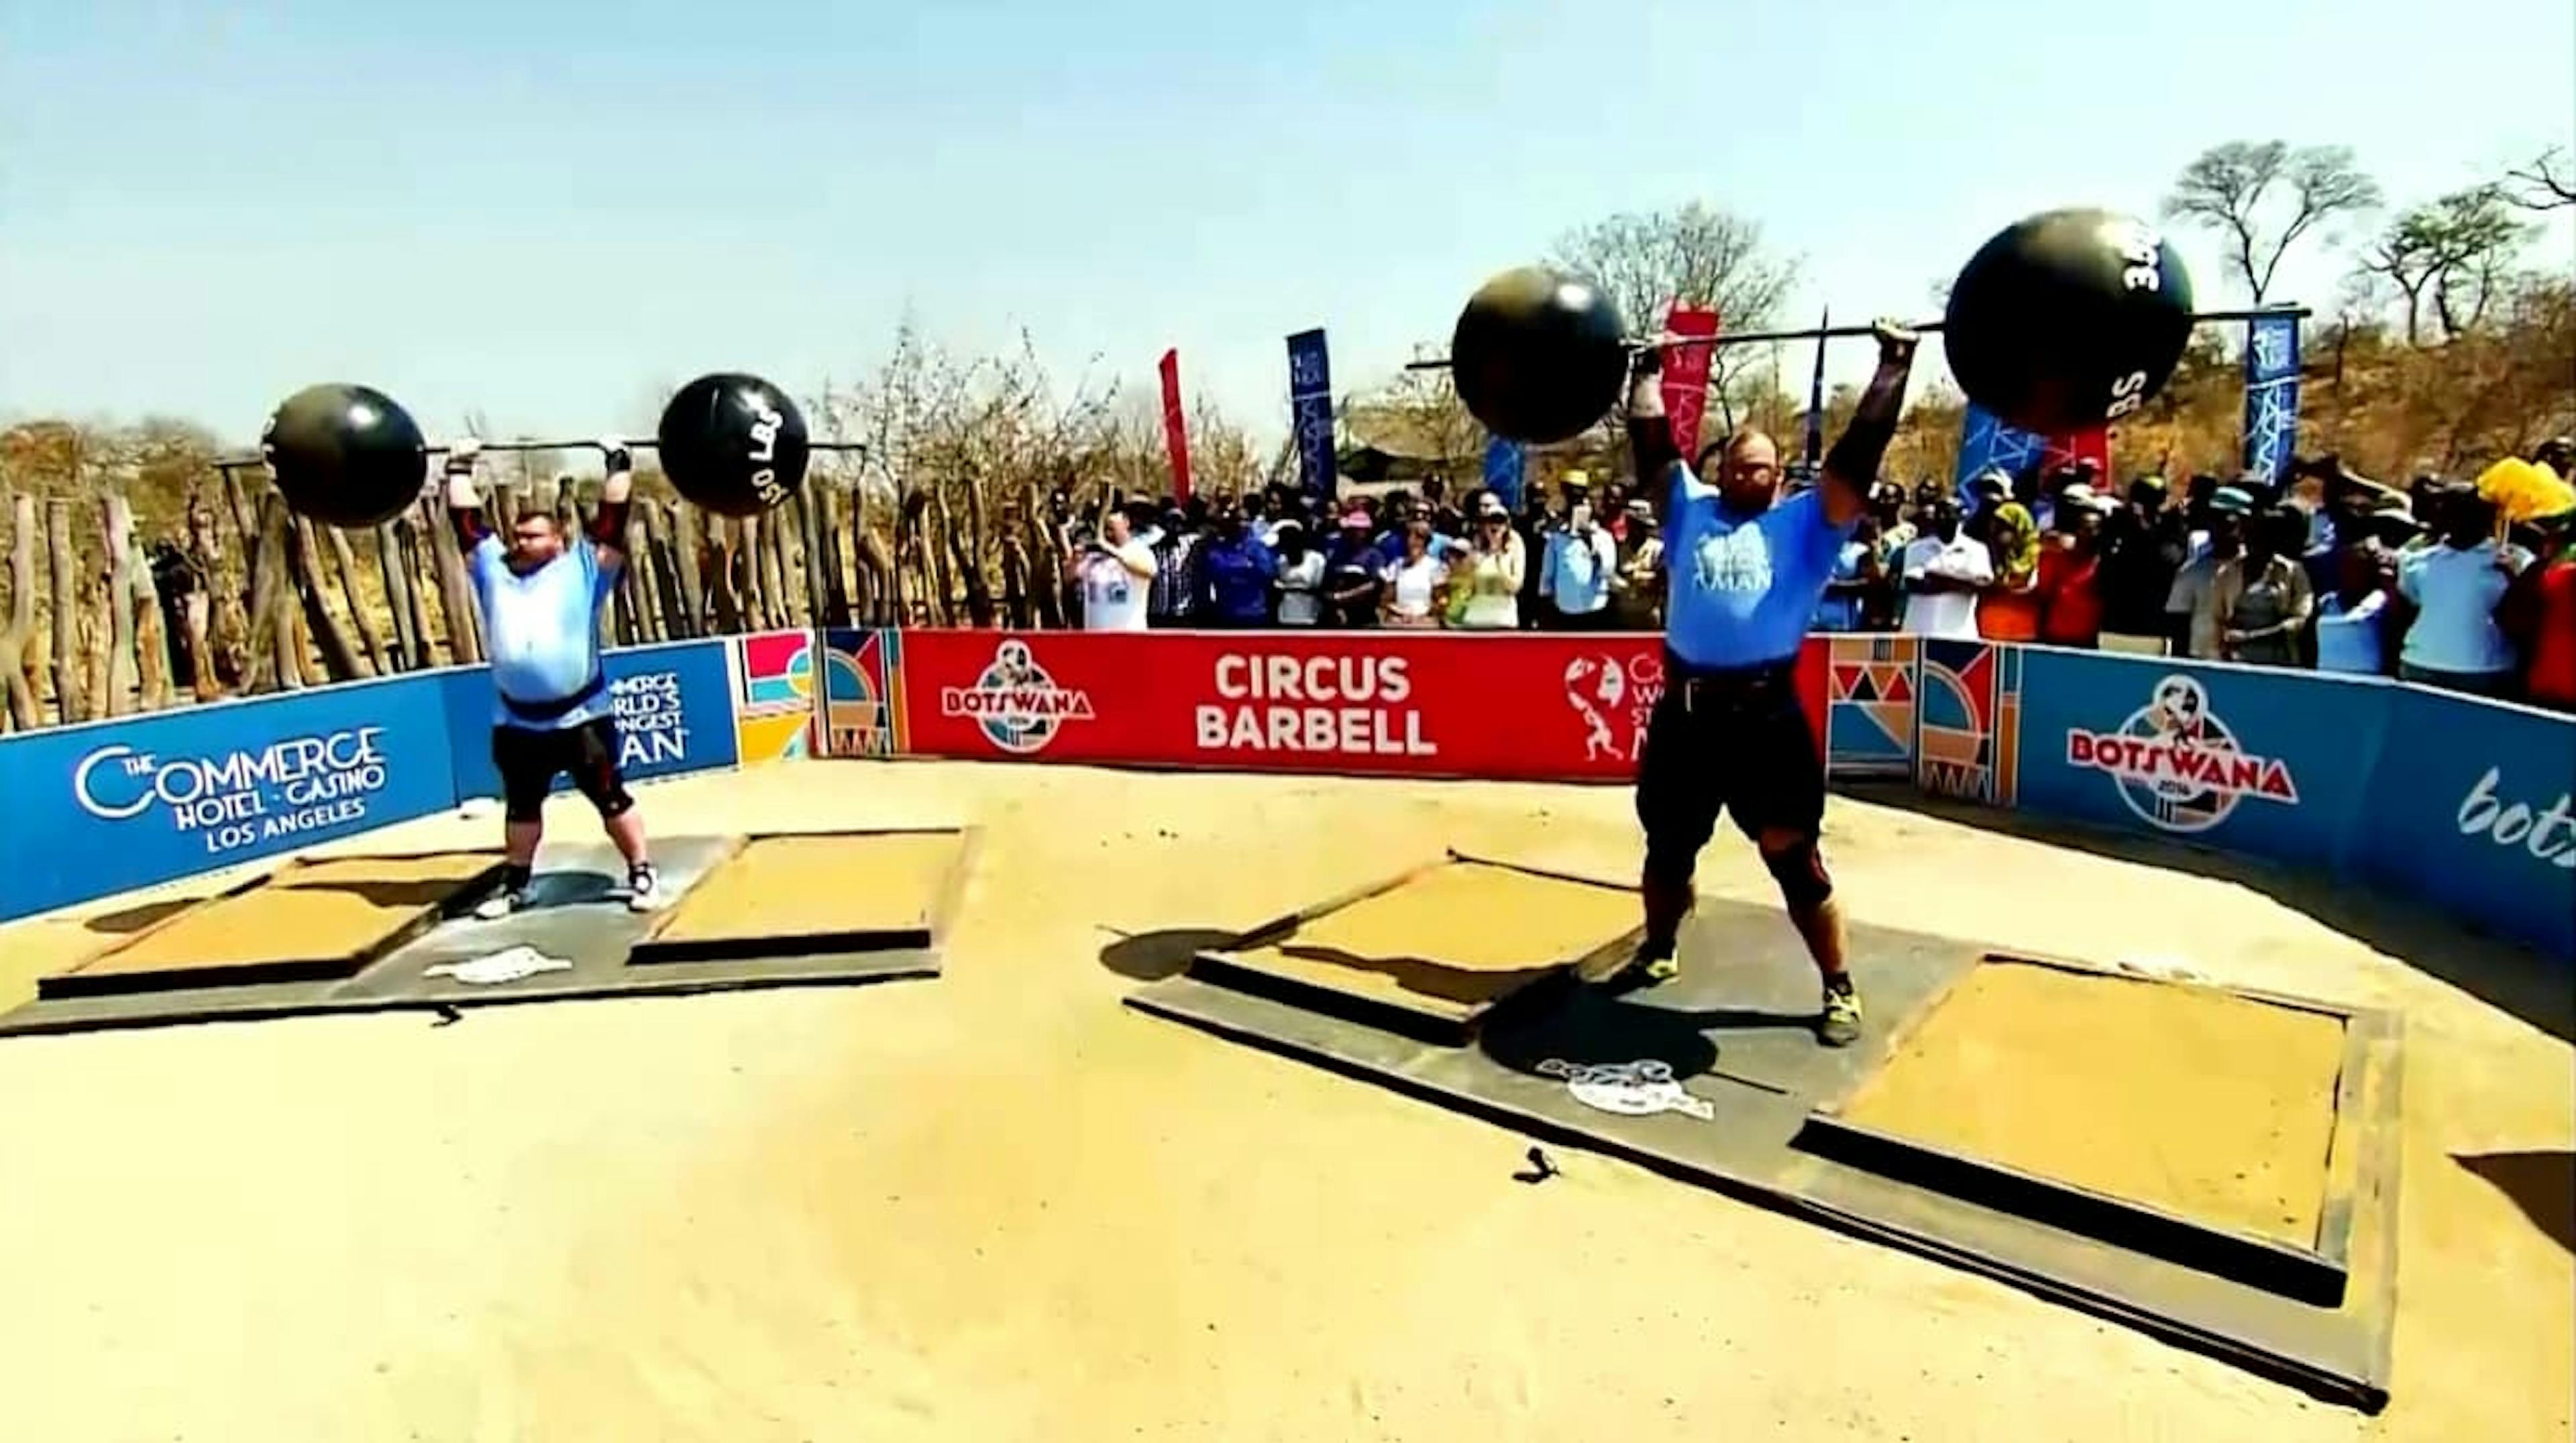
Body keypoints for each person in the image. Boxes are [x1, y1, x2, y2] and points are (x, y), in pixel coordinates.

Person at [1611, 320, 1920, 1048]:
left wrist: (1893, 368)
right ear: (1719, 469)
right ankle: (1659, 948)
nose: (1748, 475)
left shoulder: (1809, 526)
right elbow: (1653, 444)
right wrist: (1646, 370)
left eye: (1762, 468)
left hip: (1764, 720)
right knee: (1667, 846)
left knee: (1791, 854)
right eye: (1737, 465)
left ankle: (1838, 986)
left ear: (1780, 478)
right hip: (1685, 715)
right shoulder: (1685, 508)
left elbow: (1858, 455)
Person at [443, 439, 656, 919]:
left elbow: (613, 517)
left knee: (610, 797)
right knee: (521, 807)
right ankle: (518, 885)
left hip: (582, 717)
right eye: (517, 536)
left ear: (558, 539)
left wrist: (618, 463)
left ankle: (641, 870)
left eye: (533, 536)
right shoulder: (493, 572)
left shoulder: (584, 569)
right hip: (518, 722)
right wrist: (459, 466)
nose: (521, 543)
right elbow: (466, 524)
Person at [2394, 486, 2524, 696]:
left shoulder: (2512, 559)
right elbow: (2411, 600)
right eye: (2456, 513)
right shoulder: (2416, 562)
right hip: (2422, 665)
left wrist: (2517, 574)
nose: (2464, 521)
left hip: (2485, 670)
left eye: (2472, 514)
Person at [2214, 508, 2316, 667]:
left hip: (2280, 660)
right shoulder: (2227, 573)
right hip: (2236, 661)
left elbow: (2298, 621)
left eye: (2262, 541)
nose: (2255, 547)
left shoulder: (2293, 572)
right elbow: (2216, 618)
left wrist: (2250, 637)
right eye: (2250, 540)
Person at [1898, 495, 1993, 639]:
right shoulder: (1916, 548)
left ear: (1961, 517)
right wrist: (1961, 582)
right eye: (1939, 514)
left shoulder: (1976, 550)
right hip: (1919, 632)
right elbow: (1916, 585)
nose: (1943, 518)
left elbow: (1981, 588)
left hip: (1960, 635)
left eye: (1949, 513)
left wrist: (1939, 578)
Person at [2036, 484, 2114, 648]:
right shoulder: (2057, 555)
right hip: (2055, 637)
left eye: (2095, 529)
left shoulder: (2104, 563)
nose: (2090, 533)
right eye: (2085, 529)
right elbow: (2044, 592)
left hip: (2089, 640)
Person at [2314, 538, 2396, 676]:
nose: (2351, 572)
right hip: (2327, 675)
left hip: (2370, 678)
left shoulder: (2380, 600)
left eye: (2359, 567)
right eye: (2347, 566)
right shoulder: (2327, 602)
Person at [1068, 504, 1156, 632]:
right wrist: (1075, 561)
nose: (1108, 533)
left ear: (1126, 523)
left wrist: (1113, 552)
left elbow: (1149, 571)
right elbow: (1069, 577)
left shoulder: (1139, 551)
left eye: (1112, 528)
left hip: (1129, 637)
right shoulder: (1093, 555)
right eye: (1104, 529)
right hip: (1096, 637)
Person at [1447, 492, 1525, 629]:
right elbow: (1463, 585)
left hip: (1504, 622)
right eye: (1490, 521)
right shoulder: (1473, 546)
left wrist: (1498, 557)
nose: (1495, 526)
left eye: (1500, 521)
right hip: (1474, 621)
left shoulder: (1514, 545)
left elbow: (1514, 587)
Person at [1541, 496, 1619, 629]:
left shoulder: (1604, 538)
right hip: (1565, 608)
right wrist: (1547, 599)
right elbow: (1548, 572)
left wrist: (1591, 545)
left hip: (1595, 607)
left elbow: (1608, 570)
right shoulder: (1557, 539)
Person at [1973, 496, 2043, 641]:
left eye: (2005, 526)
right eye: (1996, 526)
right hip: (1988, 631)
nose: (1999, 531)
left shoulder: (2037, 554)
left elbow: (2021, 583)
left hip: (2022, 632)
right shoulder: (1987, 552)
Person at [1196, 504, 1279, 627]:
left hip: (1255, 614)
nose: (1241, 525)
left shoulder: (1258, 548)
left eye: (1245, 521)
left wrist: (1237, 569)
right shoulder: (1217, 549)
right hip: (1226, 615)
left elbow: (1268, 573)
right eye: (1236, 521)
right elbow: (1215, 572)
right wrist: (1246, 567)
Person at [1380, 509, 1450, 629]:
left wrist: (1421, 616)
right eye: (1409, 536)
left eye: (1419, 537)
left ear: (1426, 542)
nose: (1413, 541)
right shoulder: (1395, 566)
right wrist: (1402, 614)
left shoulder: (1435, 567)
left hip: (1426, 623)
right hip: (1399, 622)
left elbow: (1441, 599)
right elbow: (1386, 600)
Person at [1271, 521, 1326, 627]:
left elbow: (1319, 588)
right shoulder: (1281, 561)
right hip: (1285, 618)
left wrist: (1289, 588)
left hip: (1310, 617)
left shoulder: (1316, 559)